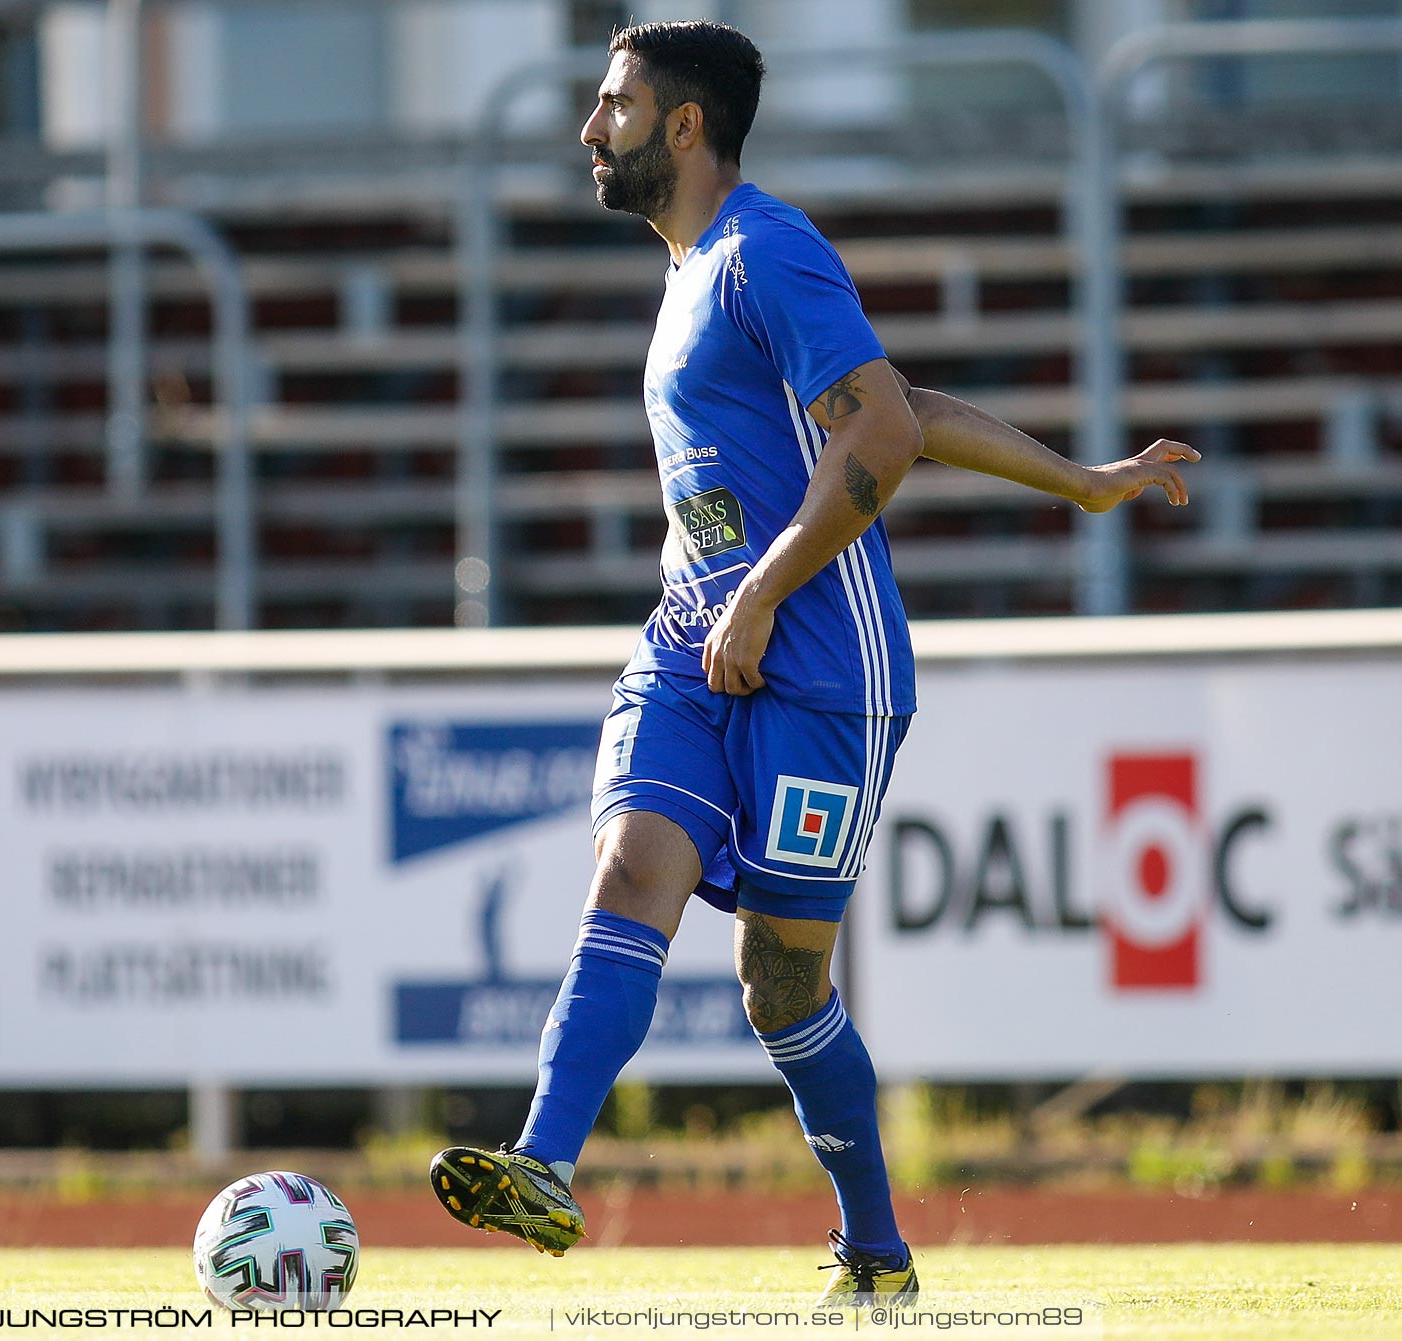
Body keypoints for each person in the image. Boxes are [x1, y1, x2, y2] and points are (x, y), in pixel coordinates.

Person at [428, 19, 1197, 1307]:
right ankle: (544, 1166)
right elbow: (899, 403)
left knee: (783, 984)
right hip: (696, 633)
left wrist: (769, 598)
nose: (589, 128)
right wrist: (1078, 481)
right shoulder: (692, 271)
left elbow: (883, 432)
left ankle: (877, 1250)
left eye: (611, 103)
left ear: (682, 125)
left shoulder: (762, 248)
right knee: (629, 866)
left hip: (823, 661)